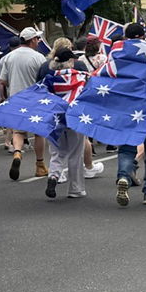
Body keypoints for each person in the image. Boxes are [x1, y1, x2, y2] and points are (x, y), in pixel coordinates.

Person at [115, 23, 146, 207]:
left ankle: (124, 177)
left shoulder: (117, 52)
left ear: (125, 36)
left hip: (127, 106)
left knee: (127, 147)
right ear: (143, 35)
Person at [0, 27, 49, 180]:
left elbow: (2, 81)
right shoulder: (39, 58)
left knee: (18, 132)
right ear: (32, 40)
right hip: (35, 99)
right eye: (37, 39)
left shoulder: (8, 58)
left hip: (16, 98)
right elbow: (44, 81)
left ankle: (17, 153)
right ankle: (40, 165)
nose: (38, 41)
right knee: (39, 133)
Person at [43, 47, 90, 200]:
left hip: (55, 118)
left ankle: (53, 176)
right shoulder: (82, 77)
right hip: (74, 118)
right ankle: (75, 189)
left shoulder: (50, 79)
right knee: (75, 153)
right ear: (70, 61)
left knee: (57, 151)